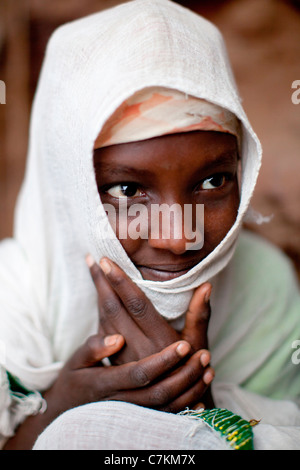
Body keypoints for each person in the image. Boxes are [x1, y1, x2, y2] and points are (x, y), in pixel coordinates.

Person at [1, 0, 300, 450]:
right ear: (69, 189)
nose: (179, 237)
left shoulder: (266, 288)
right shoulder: (12, 297)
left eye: (213, 180)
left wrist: (198, 414)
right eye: (126, 191)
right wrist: (60, 406)